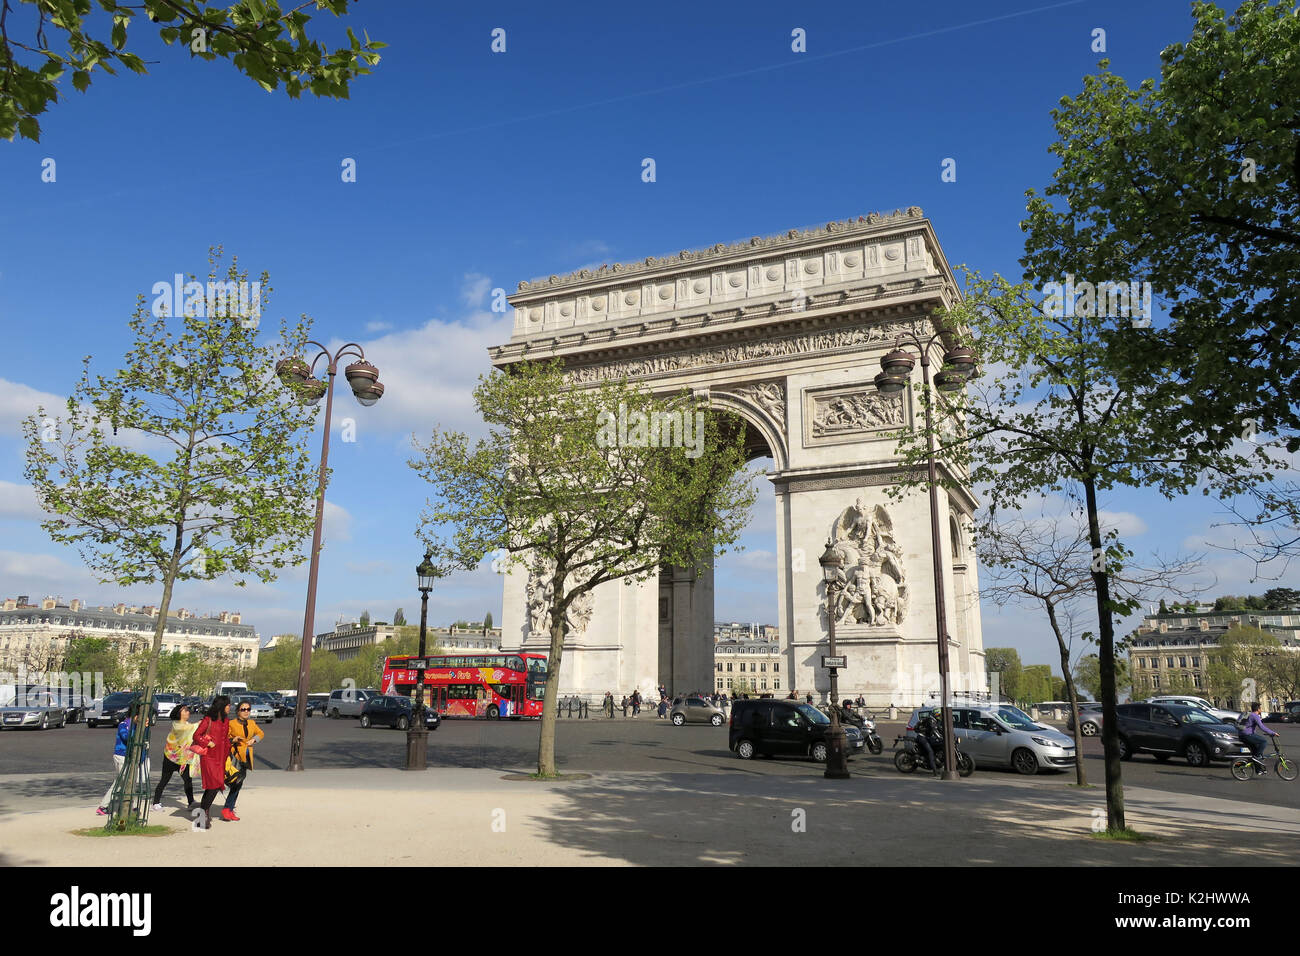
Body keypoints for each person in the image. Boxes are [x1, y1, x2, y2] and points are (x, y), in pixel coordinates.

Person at [97, 708, 151, 816]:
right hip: (121, 756)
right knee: (127, 782)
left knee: (121, 782)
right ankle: (130, 807)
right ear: (135, 715)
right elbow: (127, 737)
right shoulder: (124, 724)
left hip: (132, 757)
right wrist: (139, 729)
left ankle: (104, 806)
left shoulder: (139, 726)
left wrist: (144, 728)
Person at [192, 696, 232, 828]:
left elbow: (225, 738)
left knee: (213, 787)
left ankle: (203, 815)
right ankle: (203, 815)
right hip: (209, 757)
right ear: (221, 706)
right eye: (227, 705)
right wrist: (207, 742)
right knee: (213, 786)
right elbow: (196, 735)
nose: (229, 707)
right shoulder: (208, 719)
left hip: (221, 758)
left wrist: (228, 753)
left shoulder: (226, 721)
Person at [152, 704, 199, 811]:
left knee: (188, 780)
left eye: (188, 710)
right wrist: (200, 723)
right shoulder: (177, 725)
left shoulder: (187, 724)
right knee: (164, 780)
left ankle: (191, 802)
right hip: (171, 757)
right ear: (179, 713)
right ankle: (155, 802)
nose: (188, 712)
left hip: (183, 758)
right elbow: (188, 729)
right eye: (185, 710)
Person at [223, 699, 265, 821]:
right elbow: (225, 738)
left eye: (248, 709)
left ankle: (228, 809)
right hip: (234, 756)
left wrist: (254, 739)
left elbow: (261, 733)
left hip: (246, 757)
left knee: (238, 784)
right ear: (237, 711)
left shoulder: (251, 723)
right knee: (235, 783)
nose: (246, 712)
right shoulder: (232, 723)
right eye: (243, 709)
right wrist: (233, 740)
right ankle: (227, 808)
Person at [1239, 702, 1280, 776]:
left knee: (1256, 751)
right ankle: (1257, 757)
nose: (1261, 710)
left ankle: (1259, 770)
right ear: (1258, 709)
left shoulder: (1249, 714)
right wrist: (1273, 733)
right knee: (1263, 742)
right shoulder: (1255, 716)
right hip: (1247, 735)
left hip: (1242, 735)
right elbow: (1262, 727)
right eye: (1260, 708)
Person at [914, 708, 943, 776]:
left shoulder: (936, 720)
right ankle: (934, 771)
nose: (941, 716)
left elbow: (939, 729)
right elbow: (934, 730)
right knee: (930, 751)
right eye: (940, 714)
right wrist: (940, 737)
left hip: (927, 737)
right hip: (922, 737)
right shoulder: (931, 720)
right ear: (936, 714)